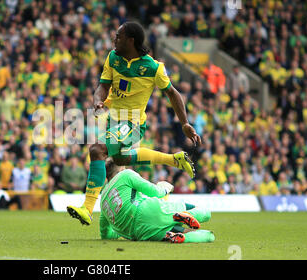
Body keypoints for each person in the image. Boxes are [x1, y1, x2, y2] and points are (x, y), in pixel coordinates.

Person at [67, 22, 201, 225]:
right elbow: (102, 86)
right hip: (114, 121)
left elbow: (172, 93)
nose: (114, 40)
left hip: (133, 124)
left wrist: (184, 123)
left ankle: (87, 209)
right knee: (120, 160)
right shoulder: (113, 58)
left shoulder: (153, 67)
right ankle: (175, 160)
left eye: (118, 36)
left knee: (97, 150)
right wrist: (97, 100)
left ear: (131, 40)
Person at [99, 158, 215, 243]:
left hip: (139, 233)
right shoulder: (125, 175)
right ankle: (180, 216)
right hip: (146, 209)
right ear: (121, 168)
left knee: (200, 236)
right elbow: (154, 192)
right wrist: (165, 188)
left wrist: (119, 231)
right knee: (206, 215)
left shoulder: (102, 199)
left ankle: (176, 235)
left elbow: (106, 234)